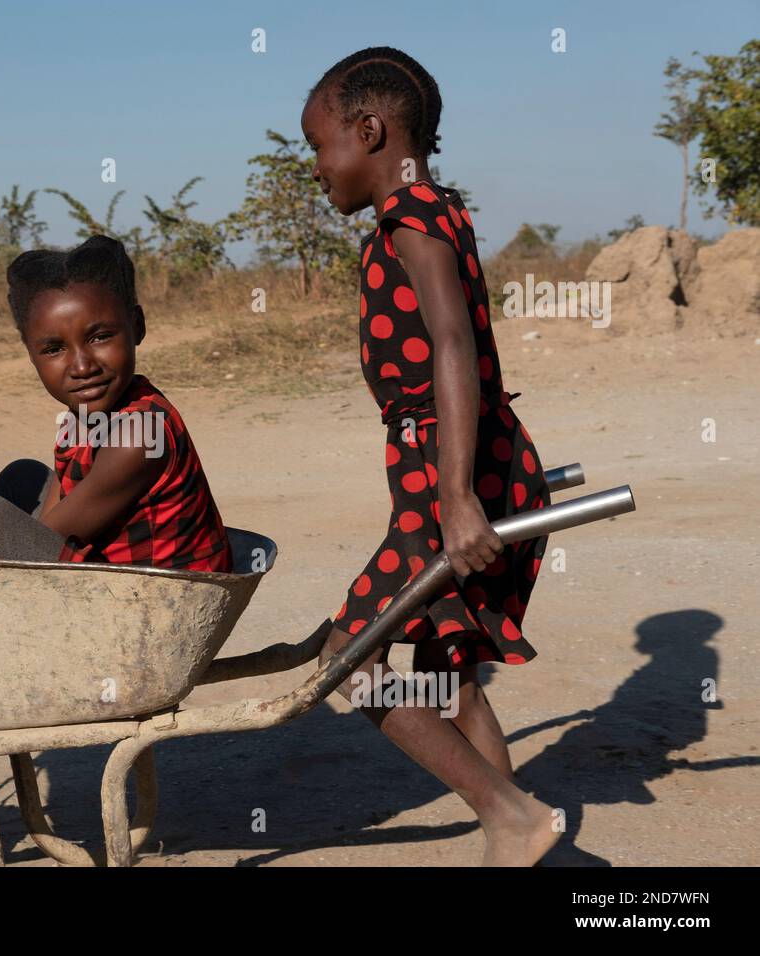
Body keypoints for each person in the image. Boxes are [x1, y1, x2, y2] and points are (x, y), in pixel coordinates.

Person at [300, 47, 556, 865]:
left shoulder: (410, 220)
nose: (315, 168)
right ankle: (512, 838)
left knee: (350, 655)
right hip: (470, 465)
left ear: (369, 131)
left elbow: (452, 342)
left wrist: (454, 499)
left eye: (318, 145)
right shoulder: (434, 210)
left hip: (451, 476)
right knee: (450, 672)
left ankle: (510, 814)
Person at [0, 235, 233, 572]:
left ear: (136, 327)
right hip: (111, 569)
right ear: (31, 354)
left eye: (100, 337)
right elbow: (56, 509)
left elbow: (49, 535)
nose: (83, 367)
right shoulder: (81, 416)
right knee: (22, 477)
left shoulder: (139, 437)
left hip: (155, 595)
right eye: (54, 349)